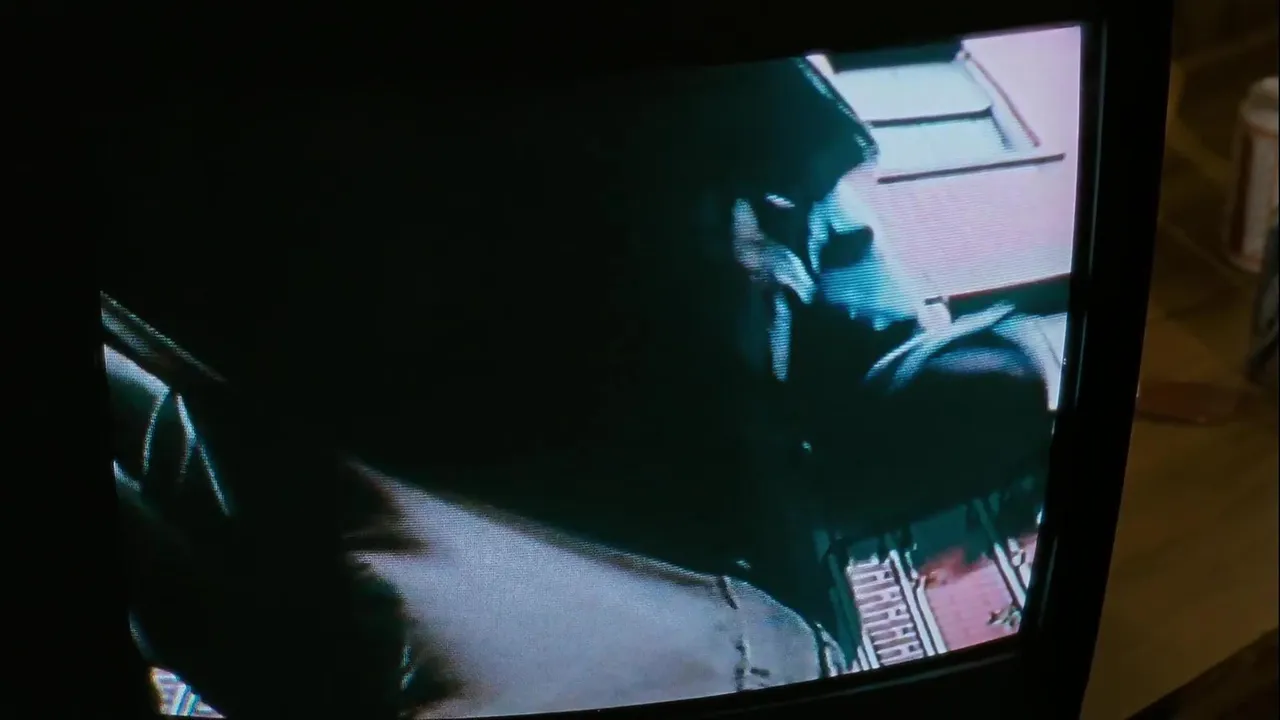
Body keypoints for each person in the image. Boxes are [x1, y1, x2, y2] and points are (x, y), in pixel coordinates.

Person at [103, 55, 1053, 719]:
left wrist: (1005, 377)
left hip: (601, 568)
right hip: (591, 566)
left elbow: (876, 366)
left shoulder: (782, 165)